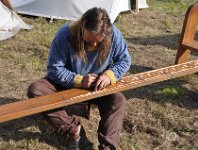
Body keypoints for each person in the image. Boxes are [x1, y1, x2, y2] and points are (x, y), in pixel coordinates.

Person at [27, 7, 131, 150]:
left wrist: (109, 75)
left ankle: (107, 147)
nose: (94, 45)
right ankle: (74, 130)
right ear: (82, 29)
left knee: (118, 100)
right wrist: (79, 80)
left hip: (97, 86)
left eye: (98, 42)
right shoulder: (64, 35)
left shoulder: (113, 34)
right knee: (36, 90)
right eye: (89, 41)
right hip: (67, 84)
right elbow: (54, 68)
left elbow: (124, 60)